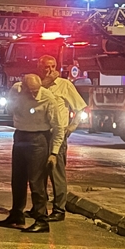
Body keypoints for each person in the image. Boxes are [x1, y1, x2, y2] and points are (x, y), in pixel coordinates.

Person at [0, 73, 66, 233]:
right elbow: (9, 110)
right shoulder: (16, 90)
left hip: (39, 139)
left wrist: (54, 153)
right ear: (23, 87)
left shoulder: (48, 98)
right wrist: (14, 99)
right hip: (20, 135)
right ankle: (16, 214)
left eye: (37, 90)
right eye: (31, 91)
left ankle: (41, 219)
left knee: (36, 181)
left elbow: (58, 127)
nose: (34, 94)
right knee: (18, 179)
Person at [38, 55, 86, 223]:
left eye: (53, 66)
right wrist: (44, 83)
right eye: (46, 67)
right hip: (40, 133)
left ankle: (59, 209)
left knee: (56, 172)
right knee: (39, 173)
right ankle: (39, 208)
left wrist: (71, 127)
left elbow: (80, 108)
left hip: (57, 134)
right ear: (40, 67)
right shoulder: (38, 85)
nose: (50, 70)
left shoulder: (65, 85)